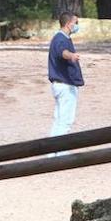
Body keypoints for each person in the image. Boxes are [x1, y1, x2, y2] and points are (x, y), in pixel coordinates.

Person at [47, 11, 84, 147]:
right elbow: (63, 52)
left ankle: (52, 151)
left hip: (61, 85)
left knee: (59, 120)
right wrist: (71, 56)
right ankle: (60, 153)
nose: (77, 26)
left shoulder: (62, 38)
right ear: (69, 24)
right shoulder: (60, 39)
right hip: (65, 86)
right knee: (65, 121)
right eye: (76, 23)